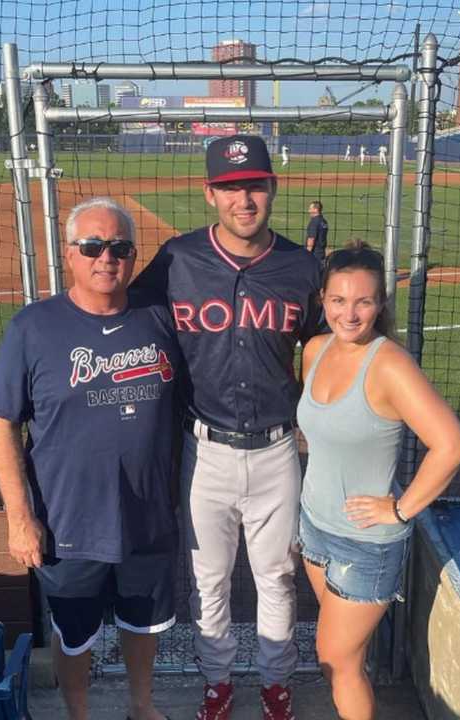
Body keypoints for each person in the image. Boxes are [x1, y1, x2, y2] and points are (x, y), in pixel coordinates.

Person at [134, 135, 322, 720]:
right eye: (232, 188)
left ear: (273, 188)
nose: (246, 199)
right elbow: (125, 316)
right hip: (204, 449)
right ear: (211, 193)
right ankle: (216, 683)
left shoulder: (300, 266)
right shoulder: (177, 260)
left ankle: (276, 684)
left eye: (256, 186)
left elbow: (321, 347)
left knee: (277, 579)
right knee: (207, 582)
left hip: (277, 451)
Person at [0, 197, 180, 720]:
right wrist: (19, 516)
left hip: (147, 516)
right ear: (69, 254)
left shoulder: (159, 322)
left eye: (119, 247)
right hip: (68, 520)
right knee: (75, 634)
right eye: (92, 246)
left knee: (143, 624)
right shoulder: (33, 328)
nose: (106, 257)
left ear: (134, 256)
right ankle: (79, 714)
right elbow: (3, 423)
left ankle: (142, 707)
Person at [297, 240, 460, 720]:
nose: (349, 314)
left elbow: (452, 445)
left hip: (366, 543)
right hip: (315, 526)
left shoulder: (389, 364)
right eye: (338, 300)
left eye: (364, 301)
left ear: (380, 304)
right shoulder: (313, 350)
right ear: (323, 301)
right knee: (346, 660)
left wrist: (398, 508)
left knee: (335, 658)